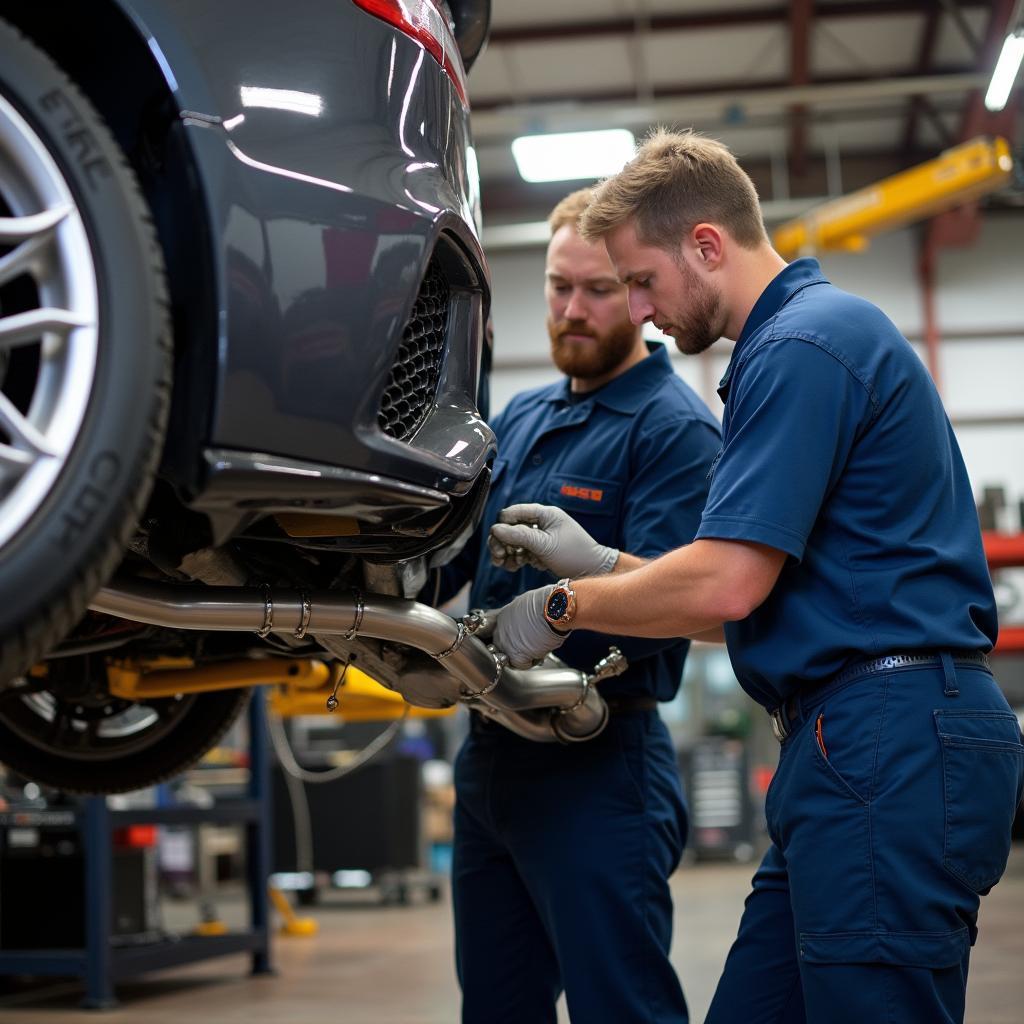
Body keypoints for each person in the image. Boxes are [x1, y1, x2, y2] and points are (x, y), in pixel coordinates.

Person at [486, 130, 1024, 1024]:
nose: (642, 311)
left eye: (642, 282)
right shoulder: (803, 342)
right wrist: (609, 564)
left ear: (706, 244)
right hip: (847, 742)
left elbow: (725, 586)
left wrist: (562, 603)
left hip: (884, 740)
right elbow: (751, 594)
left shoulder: (801, 345)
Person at [433, 187, 722, 1024]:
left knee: (619, 1008)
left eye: (597, 290)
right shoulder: (522, 418)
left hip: (598, 764)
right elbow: (453, 566)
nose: (572, 309)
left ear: (638, 295)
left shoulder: (672, 431)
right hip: (489, 761)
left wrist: (575, 593)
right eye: (559, 286)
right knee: (495, 1008)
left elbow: (688, 600)